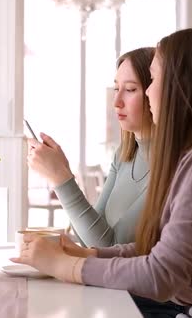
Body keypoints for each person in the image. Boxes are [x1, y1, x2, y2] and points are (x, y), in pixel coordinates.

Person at [13, 29, 192, 318]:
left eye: (152, 80)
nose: (149, 92)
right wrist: (88, 255)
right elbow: (158, 249)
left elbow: (161, 274)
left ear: (181, 86)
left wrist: (65, 266)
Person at [26, 47, 155, 247]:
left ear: (156, 93)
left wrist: (60, 178)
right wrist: (62, 171)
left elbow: (107, 247)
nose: (116, 102)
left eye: (130, 89)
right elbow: (89, 240)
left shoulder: (174, 166)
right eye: (116, 89)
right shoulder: (123, 155)